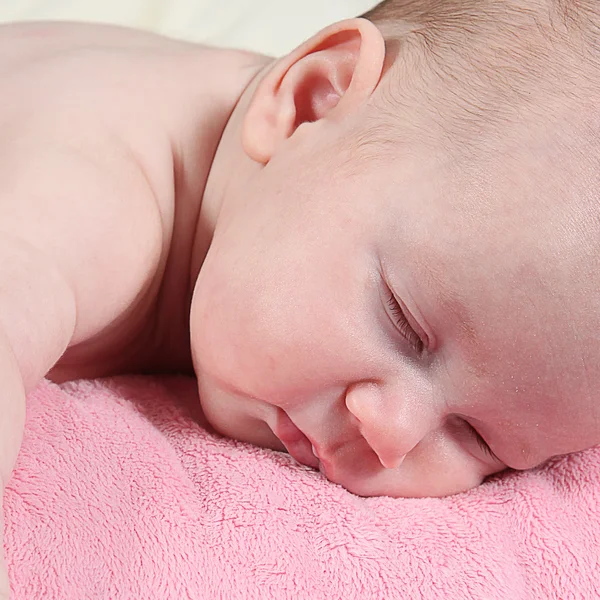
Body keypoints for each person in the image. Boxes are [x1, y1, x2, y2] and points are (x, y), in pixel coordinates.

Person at [1, 0, 600, 592]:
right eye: (402, 323)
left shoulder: (326, 176)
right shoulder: (91, 194)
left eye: (479, 438)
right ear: (310, 101)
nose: (390, 437)